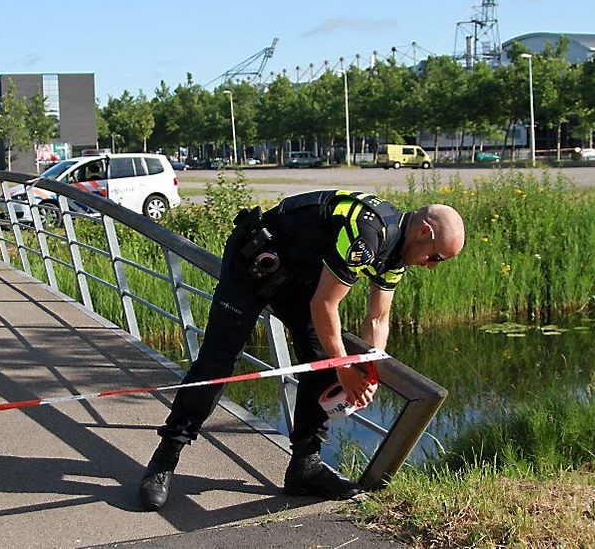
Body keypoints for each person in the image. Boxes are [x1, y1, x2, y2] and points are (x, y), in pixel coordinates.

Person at [138, 190, 465, 511]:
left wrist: (368, 374)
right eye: (435, 257)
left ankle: (305, 466)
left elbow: (378, 318)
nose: (432, 266)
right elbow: (326, 303)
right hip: (255, 262)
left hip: (298, 278)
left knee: (321, 359)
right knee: (217, 362)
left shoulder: (395, 252)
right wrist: (345, 368)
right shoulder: (368, 233)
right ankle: (166, 456)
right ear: (425, 231)